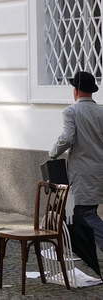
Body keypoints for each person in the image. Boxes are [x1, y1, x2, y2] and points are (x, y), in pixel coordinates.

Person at [50, 71, 103, 251]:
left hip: (82, 171)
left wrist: (53, 153)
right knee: (89, 210)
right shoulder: (101, 111)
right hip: (99, 169)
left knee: (83, 213)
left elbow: (67, 138)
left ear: (76, 90)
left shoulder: (71, 111)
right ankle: (84, 249)